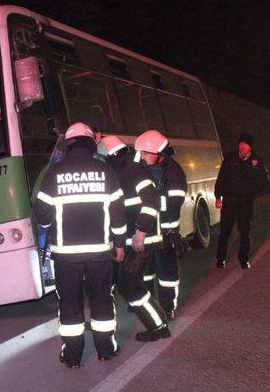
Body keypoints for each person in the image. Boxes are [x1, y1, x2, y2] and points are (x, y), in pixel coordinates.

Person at [34, 122, 128, 368]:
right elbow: (118, 213)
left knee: (69, 303)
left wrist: (47, 226)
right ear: (90, 144)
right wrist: (119, 243)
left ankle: (73, 356)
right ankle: (106, 350)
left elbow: (41, 211)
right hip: (100, 252)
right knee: (102, 299)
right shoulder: (105, 171)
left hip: (66, 255)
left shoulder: (54, 173)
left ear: (68, 145)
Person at [97, 134, 170, 342]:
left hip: (142, 241)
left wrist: (141, 232)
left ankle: (159, 326)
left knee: (130, 285)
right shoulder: (123, 168)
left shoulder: (130, 169)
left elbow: (152, 201)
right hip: (134, 240)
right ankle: (158, 325)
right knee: (129, 285)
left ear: (108, 154)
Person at [133, 130, 187, 320]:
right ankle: (148, 304)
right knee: (145, 272)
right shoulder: (143, 168)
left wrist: (152, 203)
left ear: (158, 153)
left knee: (167, 275)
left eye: (145, 153)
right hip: (149, 232)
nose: (142, 157)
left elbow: (174, 202)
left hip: (166, 233)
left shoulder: (174, 172)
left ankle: (167, 307)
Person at [214, 133, 269, 269]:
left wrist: (253, 191)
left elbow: (264, 180)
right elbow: (221, 178)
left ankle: (243, 259)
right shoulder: (230, 158)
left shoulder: (257, 161)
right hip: (229, 200)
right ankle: (220, 260)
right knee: (225, 231)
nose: (242, 147)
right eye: (241, 144)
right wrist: (218, 196)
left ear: (250, 147)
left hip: (245, 201)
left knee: (245, 231)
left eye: (245, 145)